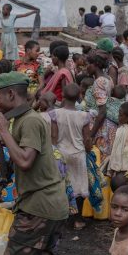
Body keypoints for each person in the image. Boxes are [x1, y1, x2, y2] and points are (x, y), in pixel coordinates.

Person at [0, 72, 111, 255]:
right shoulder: (22, 120)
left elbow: (25, 161)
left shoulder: (29, 122)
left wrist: (3, 133)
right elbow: (12, 168)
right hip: (47, 203)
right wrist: (2, 136)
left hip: (39, 205)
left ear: (11, 94)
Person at [50, 84, 91, 229]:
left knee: (60, 185)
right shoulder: (84, 115)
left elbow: (53, 136)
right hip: (78, 154)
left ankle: (60, 217)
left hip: (61, 153)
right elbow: (87, 139)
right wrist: (89, 149)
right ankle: (77, 219)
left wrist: (53, 152)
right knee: (79, 186)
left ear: (63, 96)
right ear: (79, 97)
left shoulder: (55, 113)